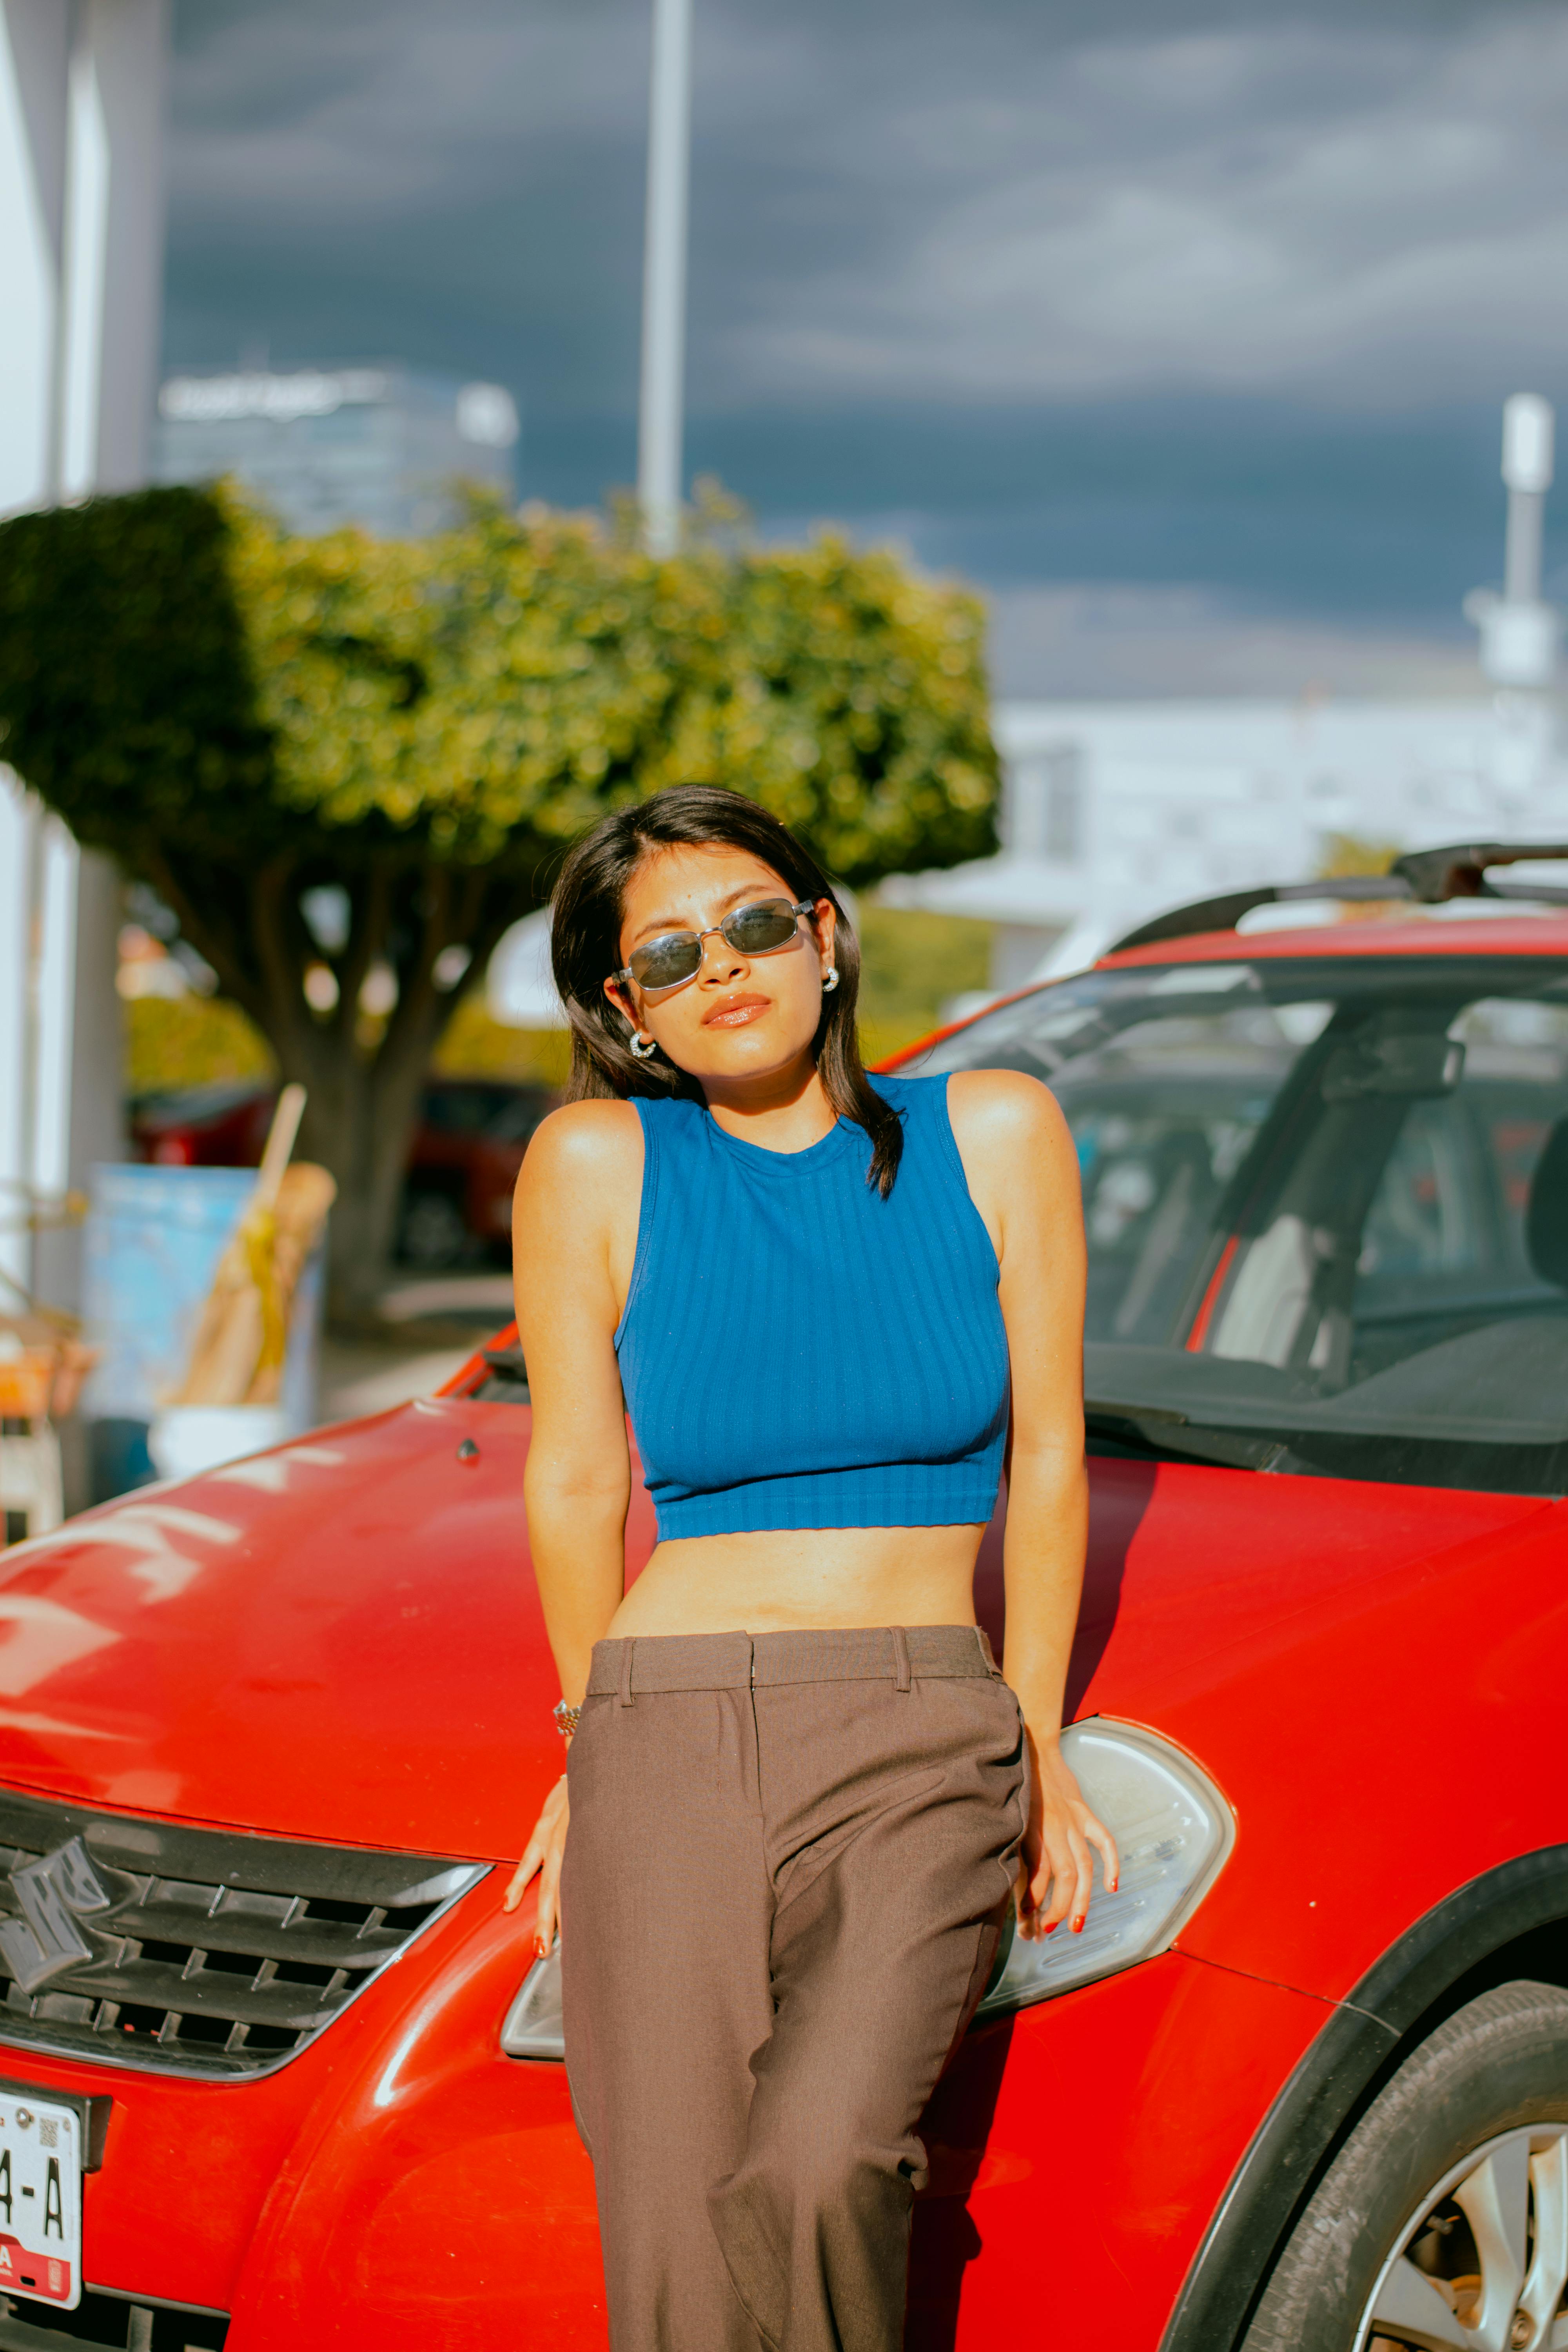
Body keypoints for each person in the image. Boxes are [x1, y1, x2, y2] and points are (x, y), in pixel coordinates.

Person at [503, 784, 1115, 2352]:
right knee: (673, 2223)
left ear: (825, 937)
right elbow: (572, 1482)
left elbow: (1051, 1457)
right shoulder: (592, 1162)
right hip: (668, 1727)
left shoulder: (993, 1131)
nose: (725, 966)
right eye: (668, 956)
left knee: (826, 2162)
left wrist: (1033, 1732)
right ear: (628, 1012)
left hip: (920, 1729)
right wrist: (590, 1750)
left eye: (757, 922)